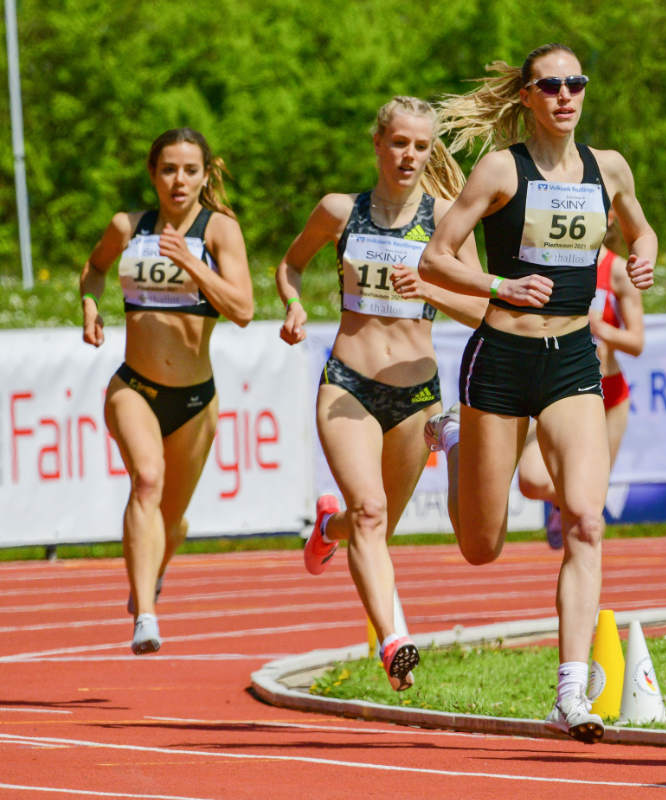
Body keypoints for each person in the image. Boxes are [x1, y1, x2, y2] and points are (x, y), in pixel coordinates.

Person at [419, 43, 656, 743]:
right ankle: (457, 440)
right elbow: (437, 255)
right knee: (481, 546)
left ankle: (570, 695)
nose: (564, 94)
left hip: (573, 358)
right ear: (526, 97)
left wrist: (642, 257)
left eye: (575, 82)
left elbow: (640, 232)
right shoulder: (501, 168)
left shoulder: (607, 168)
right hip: (501, 357)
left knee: (585, 519)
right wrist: (500, 285)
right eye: (549, 85)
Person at [276, 96, 486, 691]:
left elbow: (482, 310)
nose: (409, 156)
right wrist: (294, 305)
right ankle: (394, 640)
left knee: (375, 523)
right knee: (370, 513)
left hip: (415, 396)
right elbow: (289, 266)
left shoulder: (447, 220)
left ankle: (326, 528)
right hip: (347, 383)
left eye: (421, 146)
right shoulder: (341, 211)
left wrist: (429, 286)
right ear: (377, 144)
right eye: (399, 143)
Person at [79, 128, 254, 654]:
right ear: (153, 174)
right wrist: (90, 303)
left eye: (190, 170)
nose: (179, 181)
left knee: (172, 521)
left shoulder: (220, 230)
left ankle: (152, 574)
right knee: (146, 482)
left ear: (205, 174)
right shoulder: (127, 226)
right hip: (133, 385)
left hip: (196, 399)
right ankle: (146, 618)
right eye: (169, 170)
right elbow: (95, 269)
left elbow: (243, 310)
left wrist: (192, 262)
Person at [516, 217, 644, 549]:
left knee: (589, 514)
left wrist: (600, 329)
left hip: (608, 397)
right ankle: (564, 501)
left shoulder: (617, 270)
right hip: (558, 390)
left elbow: (636, 342)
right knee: (531, 481)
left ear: (611, 215)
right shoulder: (549, 261)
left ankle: (586, 597)